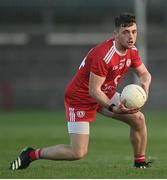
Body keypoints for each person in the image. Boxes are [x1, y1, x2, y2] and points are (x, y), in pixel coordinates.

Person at [10, 12, 152, 170]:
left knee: (138, 119)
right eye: (125, 32)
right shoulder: (104, 55)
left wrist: (145, 86)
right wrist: (113, 108)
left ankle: (140, 163)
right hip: (80, 100)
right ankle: (31, 154)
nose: (131, 36)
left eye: (134, 31)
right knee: (77, 152)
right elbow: (93, 91)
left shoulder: (132, 51)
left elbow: (145, 74)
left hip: (104, 93)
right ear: (116, 34)